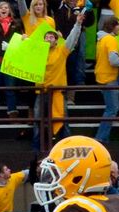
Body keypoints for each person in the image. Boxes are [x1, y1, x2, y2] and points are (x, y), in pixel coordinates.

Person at [32, 19, 83, 152]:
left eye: (52, 37)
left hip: (57, 92)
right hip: (41, 92)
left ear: (56, 40)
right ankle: (36, 148)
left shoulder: (62, 50)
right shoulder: (36, 52)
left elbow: (72, 39)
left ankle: (67, 147)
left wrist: (77, 24)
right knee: (38, 121)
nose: (49, 39)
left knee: (62, 121)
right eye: (46, 37)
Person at [0, 1, 23, 119]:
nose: (3, 9)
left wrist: (23, 38)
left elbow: (20, 42)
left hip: (9, 60)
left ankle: (12, 113)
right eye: (1, 7)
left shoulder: (16, 24)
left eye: (6, 7)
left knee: (10, 89)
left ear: (10, 10)